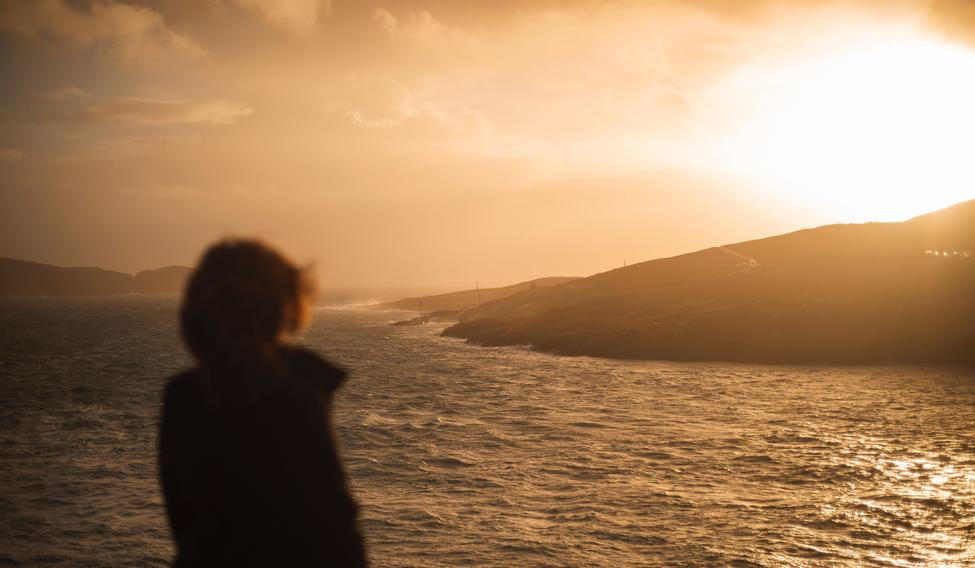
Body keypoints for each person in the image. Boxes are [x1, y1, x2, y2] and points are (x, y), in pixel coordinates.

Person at [159, 239, 367, 567]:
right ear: (281, 307)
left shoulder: (183, 396)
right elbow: (334, 522)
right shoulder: (295, 394)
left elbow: (185, 521)